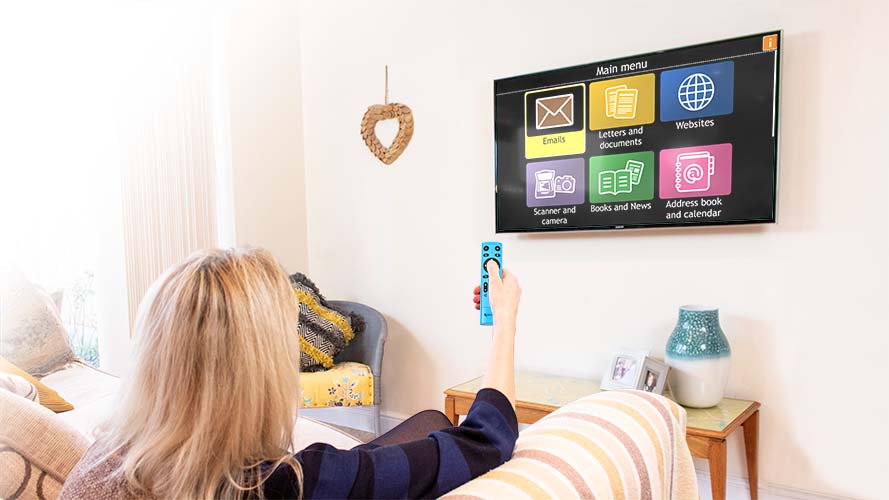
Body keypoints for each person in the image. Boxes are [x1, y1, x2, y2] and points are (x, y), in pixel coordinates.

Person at [61, 248, 521, 499]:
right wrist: (505, 323)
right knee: (440, 432)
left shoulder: (107, 452)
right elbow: (487, 439)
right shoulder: (289, 482)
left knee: (428, 421)